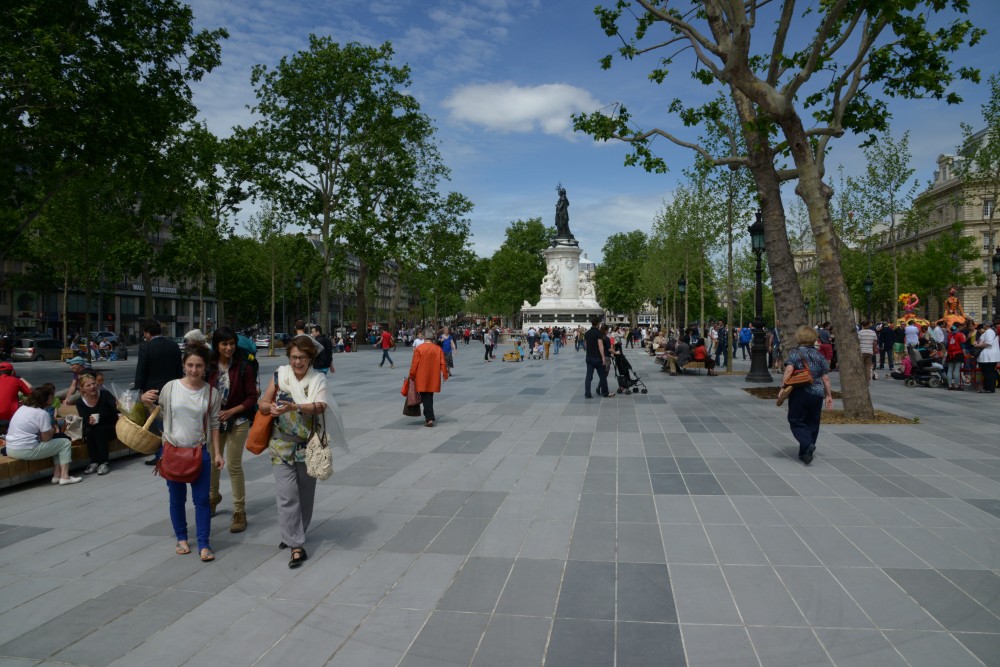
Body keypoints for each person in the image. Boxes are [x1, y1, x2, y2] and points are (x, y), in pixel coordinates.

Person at [258, 335, 344, 568]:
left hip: (308, 447)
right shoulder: (280, 376)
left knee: (305, 497)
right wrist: (271, 408)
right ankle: (296, 544)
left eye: (302, 358)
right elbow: (263, 403)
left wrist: (294, 406)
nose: (297, 362)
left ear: (310, 358)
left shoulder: (318, 380)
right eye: (294, 357)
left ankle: (295, 531)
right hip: (280, 445)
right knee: (287, 495)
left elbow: (320, 406)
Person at [141, 346, 223, 562]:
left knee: (202, 500)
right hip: (172, 450)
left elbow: (214, 424)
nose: (194, 370)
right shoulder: (170, 388)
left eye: (198, 366)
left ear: (205, 368)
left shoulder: (211, 393)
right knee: (176, 499)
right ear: (183, 366)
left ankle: (204, 544)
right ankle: (182, 538)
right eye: (190, 365)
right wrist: (145, 401)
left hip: (199, 451)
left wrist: (217, 453)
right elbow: (159, 414)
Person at [207, 327, 259, 532]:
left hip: (238, 419)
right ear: (216, 346)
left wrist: (232, 411)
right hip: (214, 421)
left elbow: (252, 397)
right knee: (212, 462)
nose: (229, 348)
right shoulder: (209, 366)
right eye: (224, 344)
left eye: (231, 343)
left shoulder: (244, 366)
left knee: (234, 465)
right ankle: (213, 497)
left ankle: (239, 511)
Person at [5, 384, 81, 485]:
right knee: (65, 442)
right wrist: (52, 431)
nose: (53, 399)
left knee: (57, 442)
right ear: (45, 399)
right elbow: (46, 438)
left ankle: (57, 475)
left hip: (10, 448)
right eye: (51, 397)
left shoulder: (22, 408)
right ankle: (65, 477)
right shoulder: (42, 413)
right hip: (25, 450)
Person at [781, 326, 833, 465]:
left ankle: (807, 443)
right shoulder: (819, 355)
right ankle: (805, 453)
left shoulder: (795, 353)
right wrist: (828, 395)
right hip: (817, 393)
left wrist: (783, 387)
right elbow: (826, 378)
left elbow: (789, 370)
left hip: (800, 391)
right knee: (812, 422)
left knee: (796, 420)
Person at [135, 319, 183, 465]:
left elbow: (141, 371)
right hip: (173, 389)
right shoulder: (173, 345)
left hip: (152, 392)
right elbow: (178, 370)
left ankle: (161, 456)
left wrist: (138, 391)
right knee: (172, 423)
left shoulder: (146, 347)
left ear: (147, 333)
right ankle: (173, 452)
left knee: (158, 425)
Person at [75, 374, 118, 475]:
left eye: (93, 383)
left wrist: (118, 405)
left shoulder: (105, 395)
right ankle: (94, 461)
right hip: (93, 429)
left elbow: (115, 412)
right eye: (88, 385)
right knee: (89, 430)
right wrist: (88, 421)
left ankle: (103, 462)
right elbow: (84, 420)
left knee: (99, 429)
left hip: (110, 428)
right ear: (82, 389)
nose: (92, 387)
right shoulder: (80, 402)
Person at [409, 327, 449, 427]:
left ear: (423, 336)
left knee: (425, 396)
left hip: (421, 376)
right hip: (433, 376)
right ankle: (429, 415)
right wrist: (445, 374)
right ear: (433, 337)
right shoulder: (438, 349)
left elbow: (414, 364)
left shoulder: (419, 349)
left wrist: (412, 375)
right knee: (429, 396)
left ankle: (429, 418)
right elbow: (443, 363)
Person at [584, 316, 611, 398]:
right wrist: (603, 357)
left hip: (589, 357)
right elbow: (600, 346)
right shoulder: (598, 333)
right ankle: (605, 393)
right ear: (598, 324)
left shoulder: (587, 333)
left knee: (588, 377)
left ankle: (587, 393)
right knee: (602, 376)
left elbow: (585, 346)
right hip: (597, 358)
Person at [975, 320, 1000, 393]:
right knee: (988, 372)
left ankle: (989, 388)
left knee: (988, 373)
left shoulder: (989, 332)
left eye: (984, 324)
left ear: (986, 325)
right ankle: (988, 388)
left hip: (988, 356)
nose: (983, 326)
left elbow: (989, 343)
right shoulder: (989, 332)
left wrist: (978, 345)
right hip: (988, 356)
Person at [945, 323, 966, 390]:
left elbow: (947, 345)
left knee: (950, 370)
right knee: (957, 370)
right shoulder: (960, 334)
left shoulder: (949, 335)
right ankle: (956, 386)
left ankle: (950, 385)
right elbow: (962, 345)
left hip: (950, 353)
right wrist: (965, 354)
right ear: (958, 327)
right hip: (958, 353)